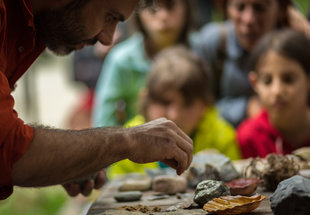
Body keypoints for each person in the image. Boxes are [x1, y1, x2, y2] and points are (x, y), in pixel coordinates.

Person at [0, 0, 193, 203]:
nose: (107, 38)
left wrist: (71, 160)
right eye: (110, 17)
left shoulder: (32, 22)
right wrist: (127, 141)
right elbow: (2, 148)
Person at [108, 46, 241, 180]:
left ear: (205, 105)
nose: (174, 115)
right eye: (165, 102)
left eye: (188, 104)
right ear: (145, 99)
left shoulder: (223, 138)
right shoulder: (129, 140)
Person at [194, 0, 310, 127]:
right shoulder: (213, 43)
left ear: (281, 10)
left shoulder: (299, 44)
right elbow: (195, 106)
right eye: (240, 7)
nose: (248, 19)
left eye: (260, 8)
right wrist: (245, 108)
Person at [92, 0, 196, 127]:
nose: (163, 16)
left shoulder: (204, 49)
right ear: (137, 10)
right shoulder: (122, 60)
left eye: (171, 6)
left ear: (186, 8)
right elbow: (103, 122)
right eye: (153, 9)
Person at [237, 29, 310, 158]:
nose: (277, 91)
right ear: (255, 83)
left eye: (288, 79)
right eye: (267, 81)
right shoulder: (248, 138)